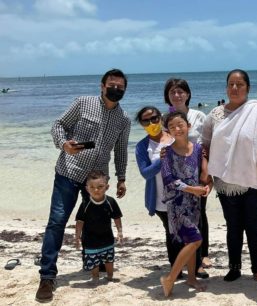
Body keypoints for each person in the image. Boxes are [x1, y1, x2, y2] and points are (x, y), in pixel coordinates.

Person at [36, 68, 130, 302]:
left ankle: (93, 265)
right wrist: (63, 144)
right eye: (112, 85)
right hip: (68, 172)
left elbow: (120, 151)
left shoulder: (124, 119)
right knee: (57, 223)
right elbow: (58, 125)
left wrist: (121, 178)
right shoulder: (82, 103)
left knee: (95, 225)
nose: (115, 89)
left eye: (120, 86)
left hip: (97, 182)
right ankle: (47, 276)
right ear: (102, 85)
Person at [200, 69, 257, 282]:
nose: (235, 88)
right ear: (226, 88)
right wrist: (206, 174)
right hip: (225, 181)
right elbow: (205, 146)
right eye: (231, 84)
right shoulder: (215, 115)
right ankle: (234, 267)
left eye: (240, 84)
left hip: (255, 177)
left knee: (253, 225)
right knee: (233, 227)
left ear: (248, 88)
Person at [159, 111, 212, 297]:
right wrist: (192, 189)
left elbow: (204, 175)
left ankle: (191, 278)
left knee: (190, 241)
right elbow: (168, 179)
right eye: (172, 127)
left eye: (180, 124)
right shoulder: (166, 152)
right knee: (196, 239)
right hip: (177, 204)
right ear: (168, 131)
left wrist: (206, 187)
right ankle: (170, 278)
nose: (177, 129)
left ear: (188, 125)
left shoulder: (197, 148)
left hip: (194, 203)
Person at [163, 78, 211, 275]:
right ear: (167, 96)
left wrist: (207, 177)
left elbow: (207, 144)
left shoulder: (199, 115)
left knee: (199, 216)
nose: (177, 95)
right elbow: (162, 142)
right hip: (176, 174)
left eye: (181, 91)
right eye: (172, 92)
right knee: (175, 221)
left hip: (197, 172)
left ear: (188, 94)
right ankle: (179, 263)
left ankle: (200, 260)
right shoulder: (165, 118)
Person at [134, 106, 179, 273]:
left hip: (183, 194)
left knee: (189, 232)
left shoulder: (175, 135)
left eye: (154, 118)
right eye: (146, 120)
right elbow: (145, 173)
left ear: (160, 117)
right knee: (171, 233)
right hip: (160, 198)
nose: (151, 122)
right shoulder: (142, 147)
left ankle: (195, 267)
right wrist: (160, 161)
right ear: (141, 124)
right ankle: (176, 268)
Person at [75, 170, 123, 284]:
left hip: (107, 237)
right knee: (93, 261)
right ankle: (95, 278)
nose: (96, 190)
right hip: (90, 240)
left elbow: (116, 217)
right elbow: (79, 221)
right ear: (87, 188)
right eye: (92, 187)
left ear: (107, 187)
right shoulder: (85, 204)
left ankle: (110, 277)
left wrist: (120, 232)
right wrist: (77, 237)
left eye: (100, 186)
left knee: (109, 259)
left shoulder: (110, 202)